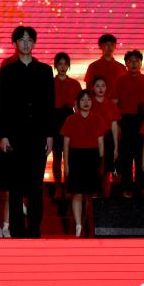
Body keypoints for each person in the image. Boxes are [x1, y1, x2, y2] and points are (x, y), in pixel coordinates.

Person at [0, 26, 54, 238]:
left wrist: (50, 134)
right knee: (16, 185)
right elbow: (2, 105)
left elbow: (49, 104)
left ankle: (35, 228)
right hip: (15, 135)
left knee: (36, 184)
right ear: (15, 44)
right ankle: (17, 229)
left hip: (38, 135)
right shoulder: (7, 71)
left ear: (34, 43)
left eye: (30, 39)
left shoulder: (45, 71)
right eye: (22, 40)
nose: (26, 43)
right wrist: (3, 134)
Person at [61, 90, 106, 237]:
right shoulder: (71, 119)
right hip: (75, 157)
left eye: (88, 100)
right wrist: (66, 164)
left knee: (90, 194)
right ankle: (78, 225)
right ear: (77, 103)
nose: (86, 102)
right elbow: (66, 144)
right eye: (82, 100)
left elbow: (101, 143)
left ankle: (89, 223)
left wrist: (101, 161)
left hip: (92, 158)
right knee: (77, 193)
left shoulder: (98, 119)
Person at [112, 50, 144, 197]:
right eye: (130, 61)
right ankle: (126, 187)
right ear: (126, 64)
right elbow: (114, 104)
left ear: (141, 63)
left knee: (142, 155)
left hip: (143, 121)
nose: (134, 64)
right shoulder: (119, 81)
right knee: (126, 155)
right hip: (125, 121)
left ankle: (141, 187)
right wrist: (117, 124)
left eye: (137, 61)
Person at [51, 53, 81, 199]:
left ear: (68, 66)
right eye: (60, 64)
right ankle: (58, 187)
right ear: (56, 66)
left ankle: (69, 187)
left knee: (70, 156)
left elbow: (78, 107)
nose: (62, 67)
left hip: (70, 119)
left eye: (65, 64)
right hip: (54, 120)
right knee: (57, 155)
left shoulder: (75, 84)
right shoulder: (49, 83)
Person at [89, 76, 121, 198]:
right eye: (97, 86)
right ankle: (92, 198)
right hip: (92, 139)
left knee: (107, 170)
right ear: (93, 88)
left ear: (107, 88)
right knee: (93, 169)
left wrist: (116, 147)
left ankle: (105, 198)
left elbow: (114, 126)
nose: (100, 88)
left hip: (107, 139)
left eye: (103, 86)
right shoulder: (89, 103)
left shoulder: (111, 105)